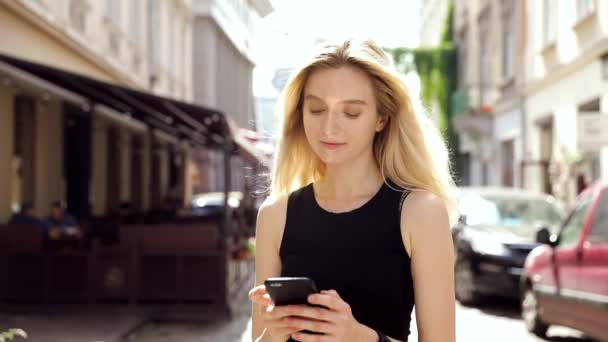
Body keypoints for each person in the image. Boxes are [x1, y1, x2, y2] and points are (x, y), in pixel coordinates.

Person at [248, 39, 457, 342]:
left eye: (351, 112)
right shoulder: (275, 214)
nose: (329, 128)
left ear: (381, 118)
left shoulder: (420, 212)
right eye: (317, 109)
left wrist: (356, 336)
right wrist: (273, 335)